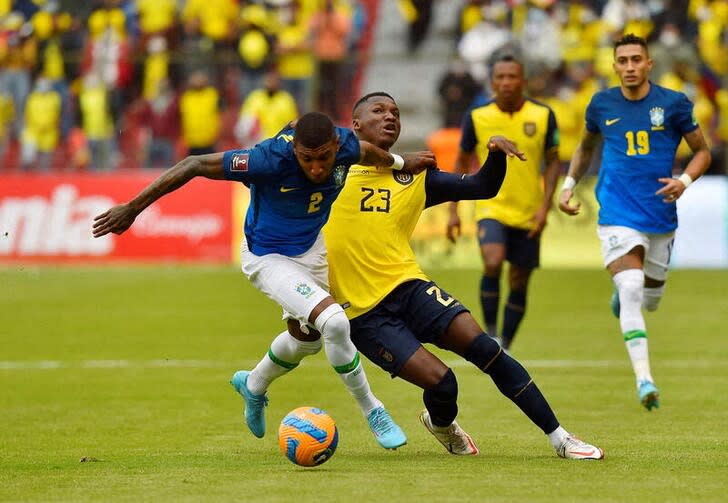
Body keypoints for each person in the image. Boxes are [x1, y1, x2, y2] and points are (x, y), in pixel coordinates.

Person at [92, 111, 437, 449]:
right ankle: (373, 411)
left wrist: (401, 163)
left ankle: (254, 385)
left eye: (324, 158)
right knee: (334, 322)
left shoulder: (346, 144)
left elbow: (368, 152)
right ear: (294, 151)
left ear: (335, 145)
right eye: (307, 159)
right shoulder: (267, 160)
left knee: (309, 339)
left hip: (312, 250)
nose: (317, 168)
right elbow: (193, 164)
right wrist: (133, 208)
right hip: (267, 257)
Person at [321, 91, 603, 460]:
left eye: (396, 111)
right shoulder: (327, 171)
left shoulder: (416, 175)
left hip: (409, 286)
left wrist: (496, 155)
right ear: (355, 124)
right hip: (363, 314)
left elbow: (482, 186)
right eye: (378, 111)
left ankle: (561, 439)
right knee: (443, 382)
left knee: (488, 349)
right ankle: (442, 425)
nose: (390, 116)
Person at [558, 34, 712, 411]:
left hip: (659, 214)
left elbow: (703, 152)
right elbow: (585, 147)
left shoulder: (673, 105)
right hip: (616, 211)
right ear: (614, 65)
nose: (629, 67)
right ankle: (645, 379)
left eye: (635, 60)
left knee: (651, 298)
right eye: (622, 60)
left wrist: (684, 181)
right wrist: (568, 185)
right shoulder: (601, 104)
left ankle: (627, 295)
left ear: (648, 64)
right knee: (631, 286)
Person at [446, 53, 562, 351]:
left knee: (520, 280)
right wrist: (453, 210)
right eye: (501, 77)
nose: (506, 82)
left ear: (523, 81)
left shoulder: (543, 115)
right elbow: (461, 161)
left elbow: (552, 162)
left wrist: (544, 208)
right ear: (492, 82)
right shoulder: (477, 116)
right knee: (493, 261)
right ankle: (491, 333)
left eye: (513, 77)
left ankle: (506, 345)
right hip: (491, 206)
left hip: (527, 211)